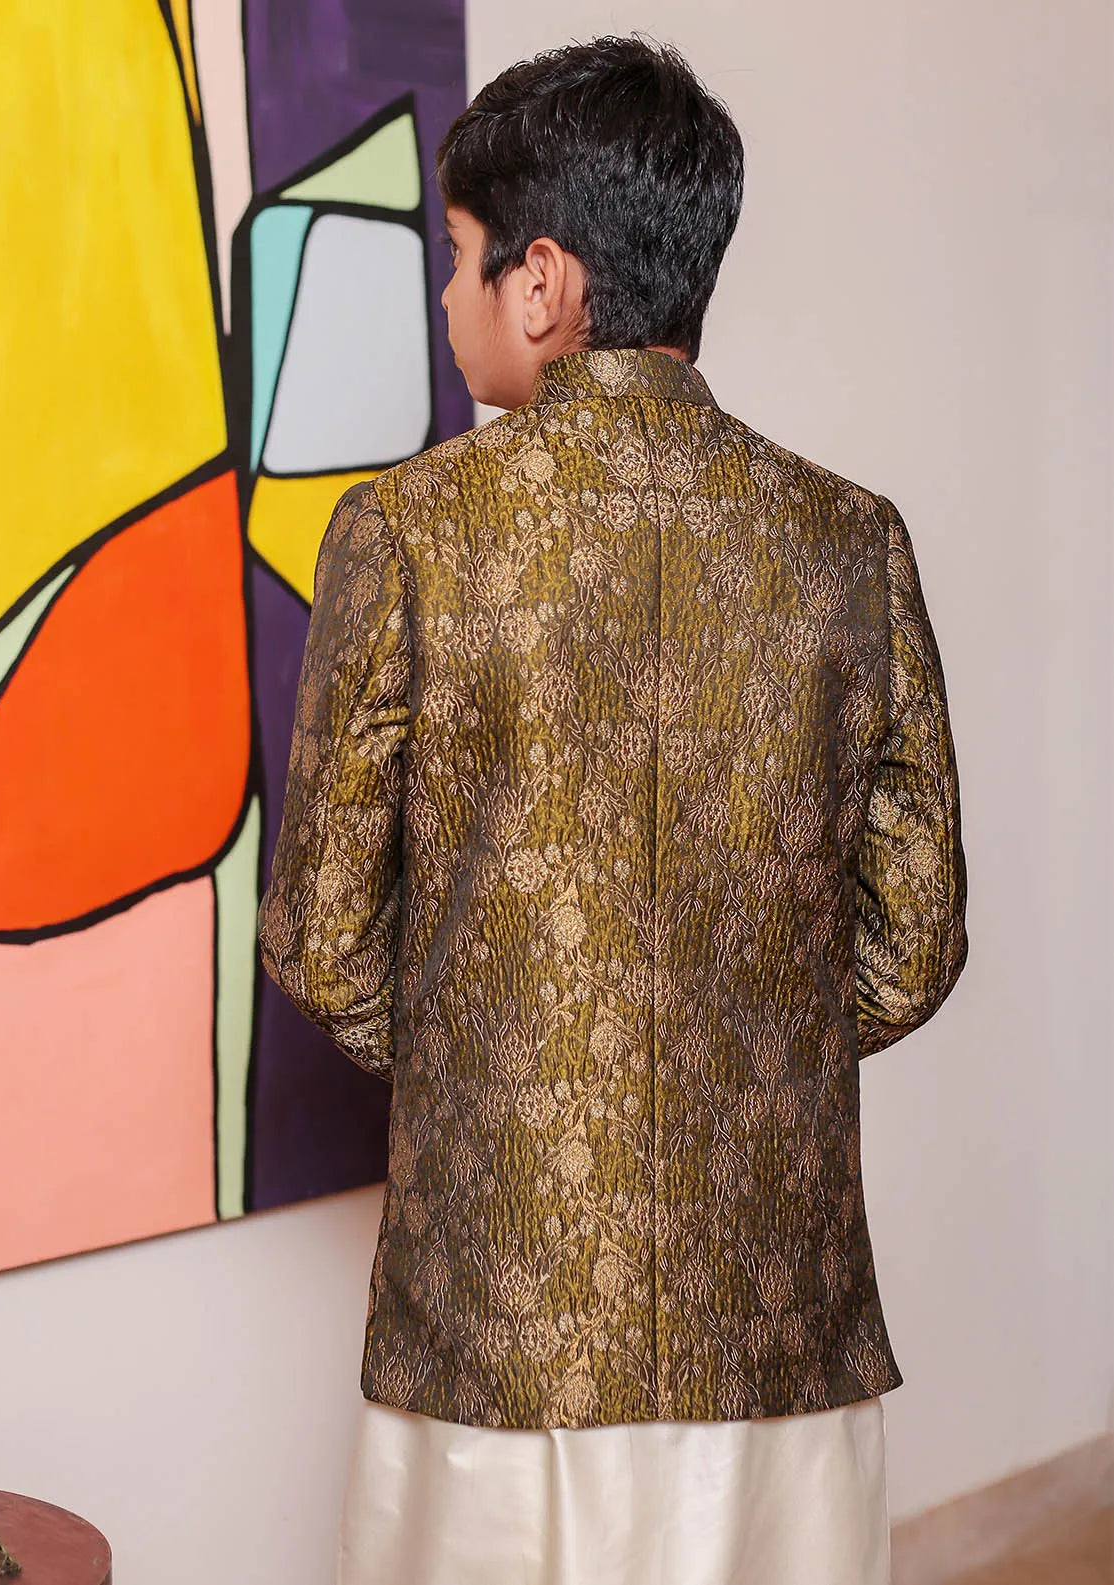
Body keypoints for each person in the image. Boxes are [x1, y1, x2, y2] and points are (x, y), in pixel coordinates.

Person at [256, 33, 969, 1585]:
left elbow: (317, 935)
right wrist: (736, 1048)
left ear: (541, 284)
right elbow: (913, 940)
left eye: (455, 256)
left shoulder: (408, 531)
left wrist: (492, 1056)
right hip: (773, 1307)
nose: (445, 300)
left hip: (496, 1313)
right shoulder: (850, 539)